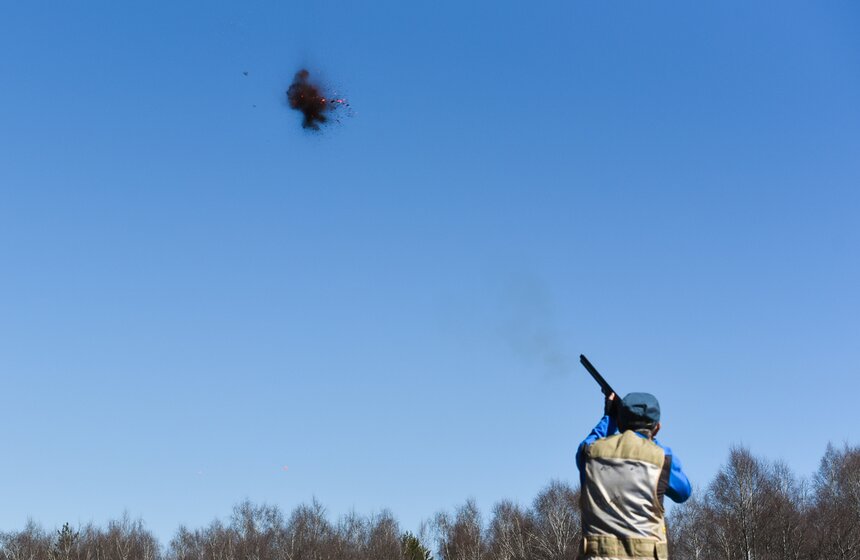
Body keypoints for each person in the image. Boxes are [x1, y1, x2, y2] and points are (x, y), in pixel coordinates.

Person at [575, 392, 691, 560]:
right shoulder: (662, 458)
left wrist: (609, 417)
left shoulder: (588, 453)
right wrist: (650, 441)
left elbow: (591, 440)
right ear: (656, 427)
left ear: (620, 423)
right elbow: (683, 493)